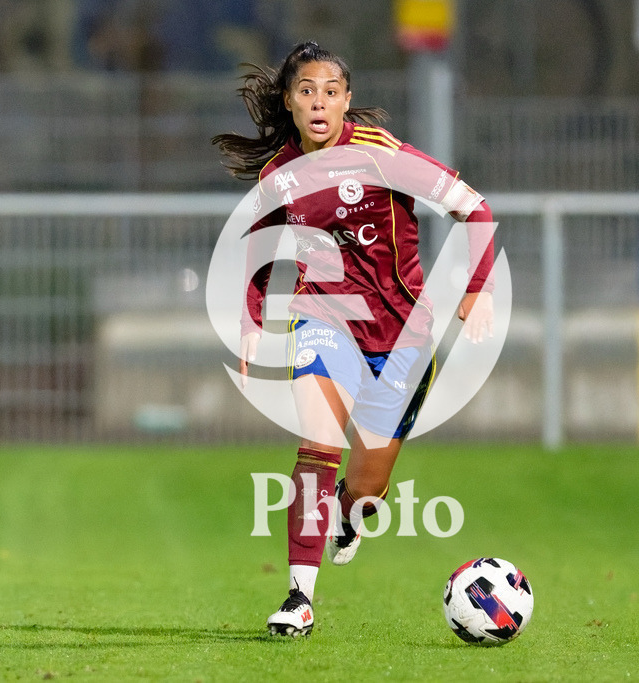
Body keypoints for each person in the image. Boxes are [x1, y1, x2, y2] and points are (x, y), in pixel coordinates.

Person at [211, 41, 496, 637]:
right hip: (323, 320)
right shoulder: (279, 176)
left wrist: (479, 288)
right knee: (317, 445)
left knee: (367, 488)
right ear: (288, 102)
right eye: (307, 91)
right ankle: (299, 597)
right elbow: (259, 251)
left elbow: (474, 208)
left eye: (331, 92)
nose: (319, 102)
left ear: (347, 101)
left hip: (403, 337)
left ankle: (348, 512)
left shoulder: (382, 155)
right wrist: (251, 320)